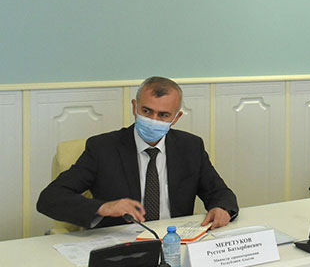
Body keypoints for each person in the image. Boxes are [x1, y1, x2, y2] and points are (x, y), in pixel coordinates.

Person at [37, 76, 238, 229]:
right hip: (120, 244)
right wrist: (102, 208)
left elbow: (220, 193)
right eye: (147, 111)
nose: (153, 120)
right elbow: (50, 198)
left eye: (163, 115)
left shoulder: (190, 147)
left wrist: (221, 208)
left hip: (174, 241)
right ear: (135, 107)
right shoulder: (102, 148)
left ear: (176, 118)